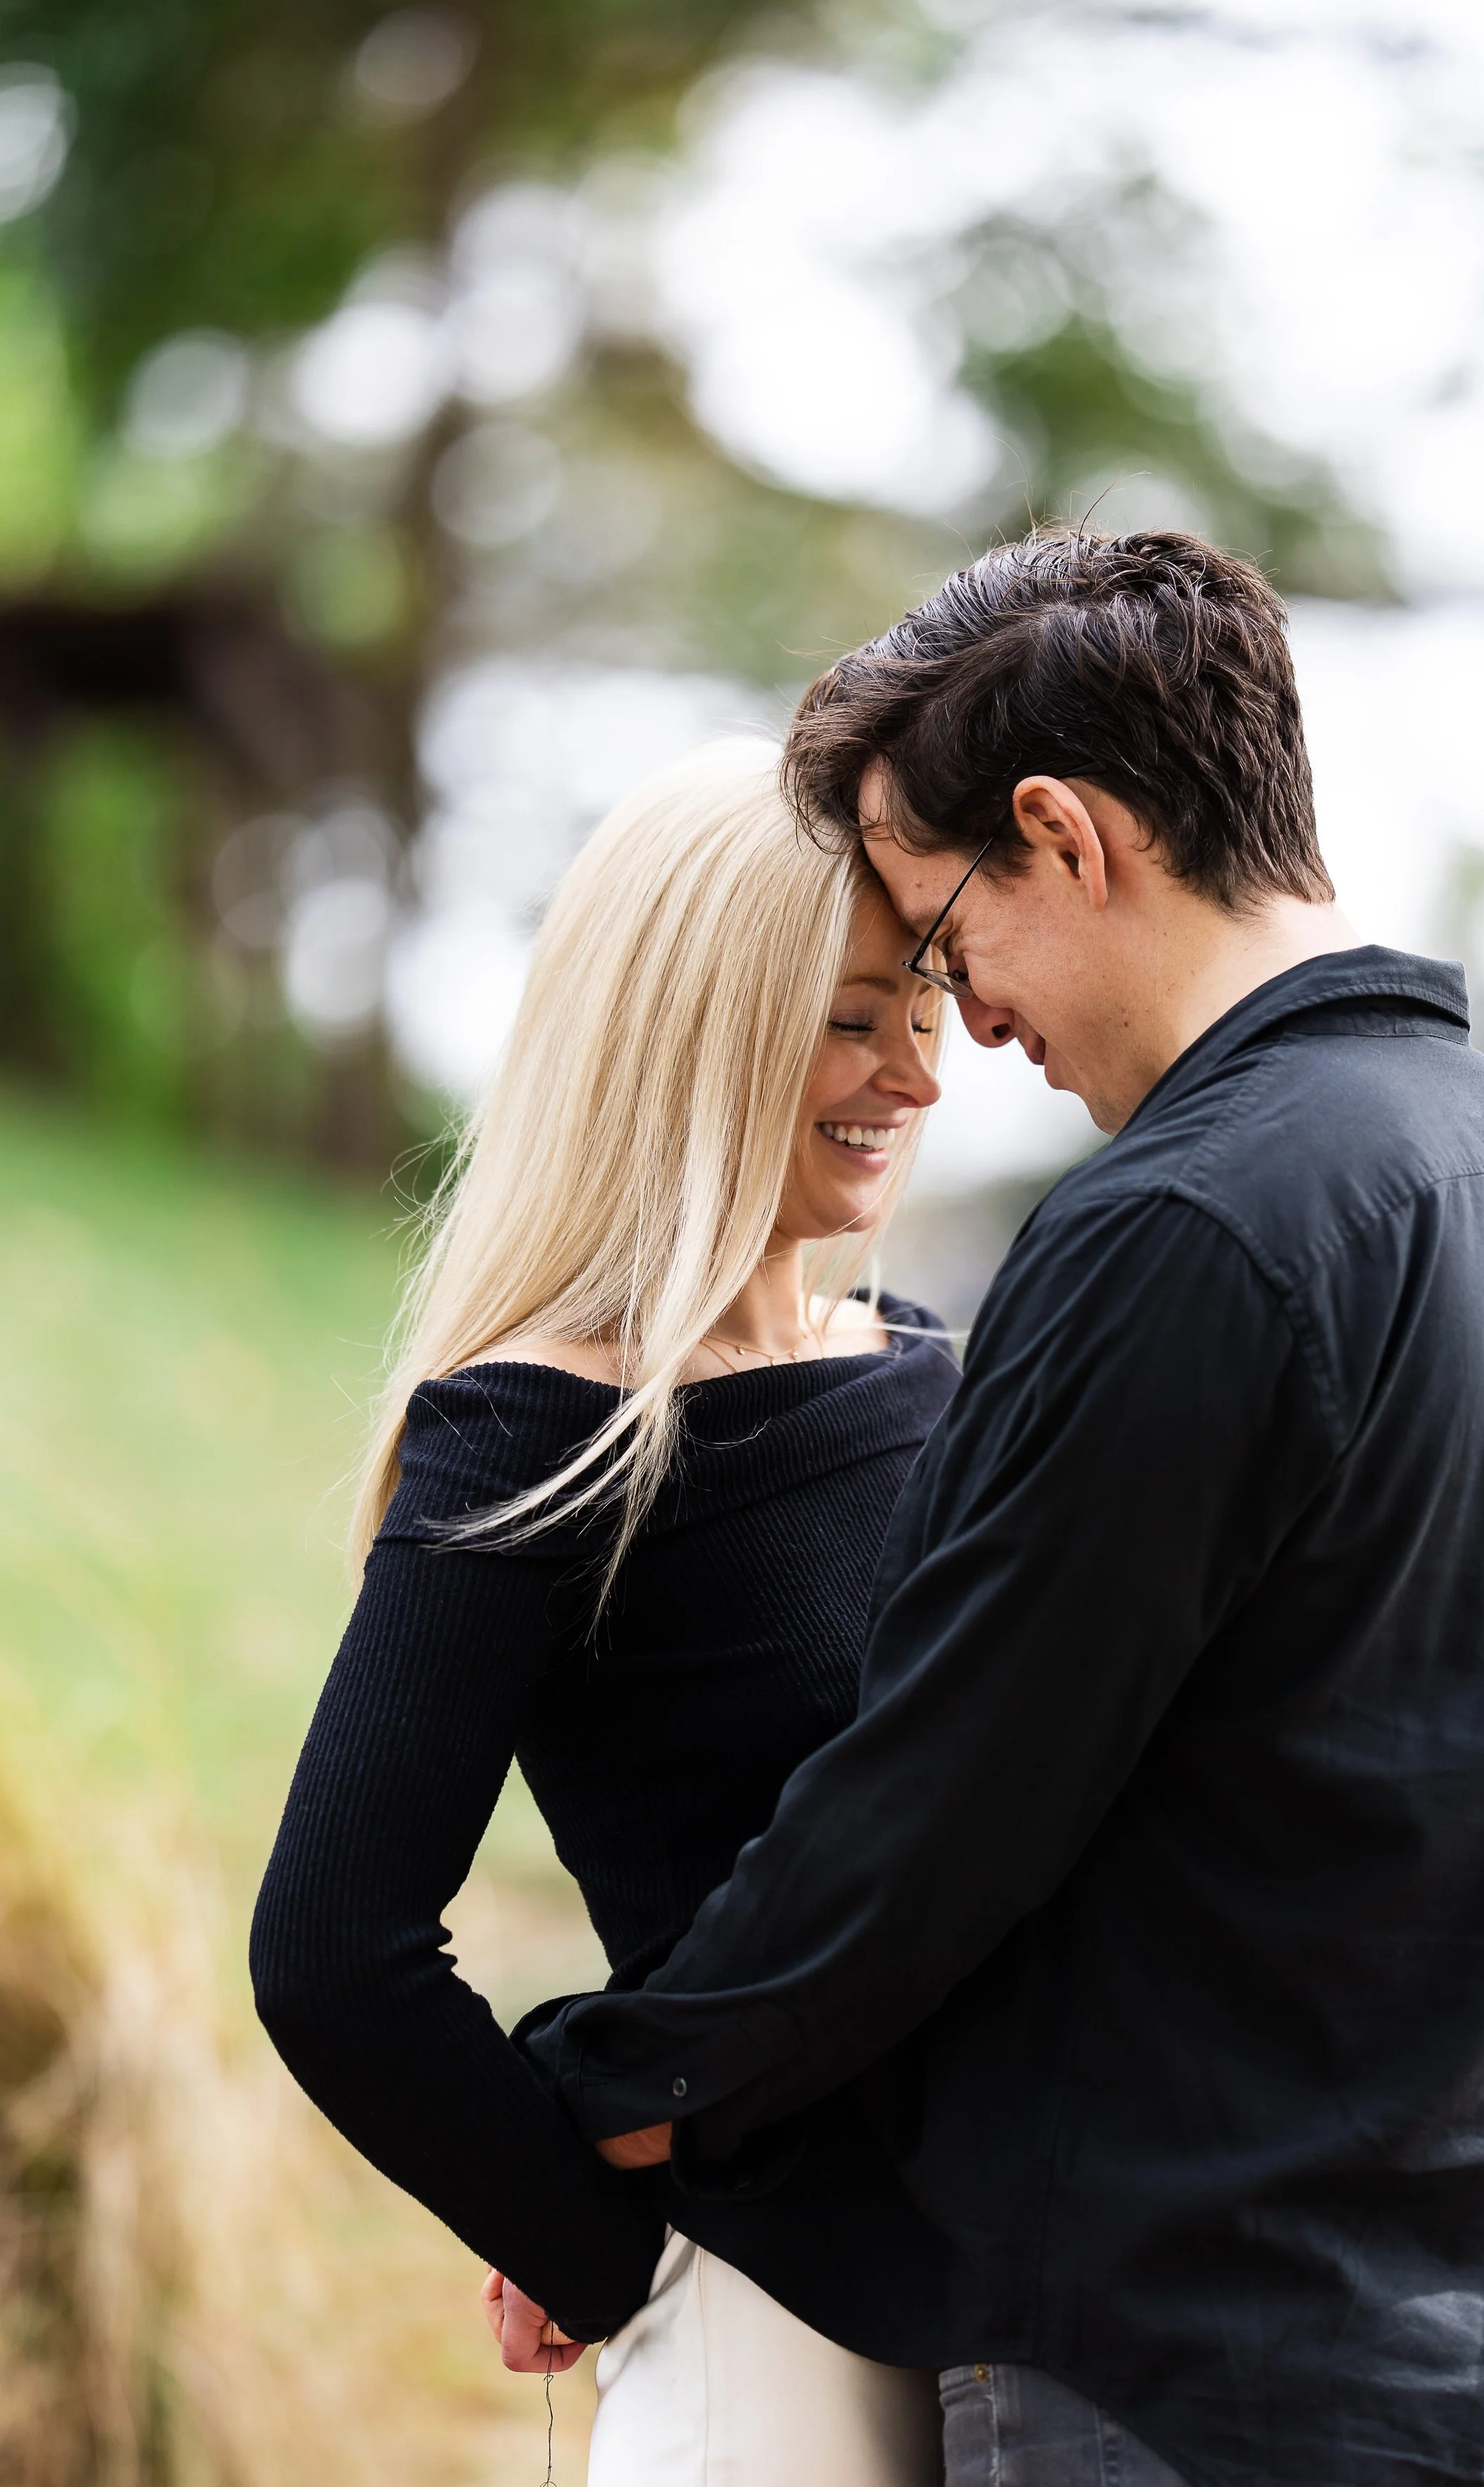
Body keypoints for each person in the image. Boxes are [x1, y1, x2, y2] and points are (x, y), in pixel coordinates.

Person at [512, 530, 1484, 2487]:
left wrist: (605, 2084)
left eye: (949, 940)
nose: (964, 1028)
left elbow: (944, 1793)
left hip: (1205, 2372)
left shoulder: (1186, 1224)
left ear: (1061, 829)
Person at [249, 746, 960, 2486]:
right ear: (697, 1030)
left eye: (929, 1001)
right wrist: (594, 2245)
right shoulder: (549, 1424)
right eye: (855, 1017)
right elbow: (333, 1948)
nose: (916, 1072)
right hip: (774, 2348)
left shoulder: (933, 1363)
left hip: (1007, 2307)